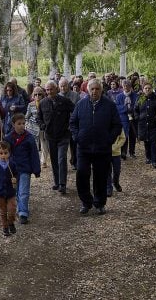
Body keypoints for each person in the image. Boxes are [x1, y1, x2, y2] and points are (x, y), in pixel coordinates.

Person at [70, 79, 122, 215]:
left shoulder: (109, 105)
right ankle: (86, 202)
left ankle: (99, 203)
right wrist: (77, 137)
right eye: (92, 89)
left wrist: (109, 139)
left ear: (101, 90)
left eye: (97, 89)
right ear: (88, 90)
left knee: (101, 176)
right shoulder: (81, 104)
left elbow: (117, 124)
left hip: (102, 148)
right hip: (84, 148)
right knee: (81, 174)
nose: (94, 91)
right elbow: (73, 122)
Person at [38, 80, 74, 194]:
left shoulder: (65, 101)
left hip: (64, 135)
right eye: (47, 90)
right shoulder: (43, 103)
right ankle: (57, 182)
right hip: (50, 136)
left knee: (61, 158)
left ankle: (63, 184)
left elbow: (76, 112)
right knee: (54, 160)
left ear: (56, 89)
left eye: (51, 89)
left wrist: (70, 125)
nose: (49, 92)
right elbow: (39, 118)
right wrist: (43, 126)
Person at [4, 113, 40, 224]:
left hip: (25, 169)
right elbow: (4, 154)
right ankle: (15, 209)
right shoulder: (8, 138)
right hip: (12, 170)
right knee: (15, 191)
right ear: (13, 124)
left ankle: (23, 212)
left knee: (23, 191)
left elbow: (34, 154)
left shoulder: (29, 138)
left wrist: (36, 169)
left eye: (23, 123)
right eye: (19, 124)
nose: (22, 126)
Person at [134, 82, 156, 169]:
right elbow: (135, 110)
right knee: (146, 141)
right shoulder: (140, 98)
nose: (147, 90)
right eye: (146, 88)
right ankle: (148, 157)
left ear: (151, 89)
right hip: (143, 124)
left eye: (149, 88)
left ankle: (155, 161)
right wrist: (138, 117)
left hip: (154, 124)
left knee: (154, 142)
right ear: (143, 89)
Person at [58, 77, 80, 170]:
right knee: (62, 148)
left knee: (74, 144)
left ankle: (75, 162)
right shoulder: (57, 96)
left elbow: (78, 109)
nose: (63, 88)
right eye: (61, 86)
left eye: (65, 86)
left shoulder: (75, 95)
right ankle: (63, 165)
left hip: (73, 123)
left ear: (68, 85)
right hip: (62, 125)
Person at [25, 87, 47, 169]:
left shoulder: (45, 103)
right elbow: (27, 116)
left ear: (43, 95)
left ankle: (43, 161)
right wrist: (26, 124)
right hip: (33, 128)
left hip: (43, 128)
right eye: (35, 94)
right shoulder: (30, 105)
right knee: (35, 146)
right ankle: (36, 161)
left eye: (39, 94)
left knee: (45, 145)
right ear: (33, 95)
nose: (37, 96)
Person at [116, 80, 139, 159]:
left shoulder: (135, 96)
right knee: (124, 136)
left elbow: (137, 106)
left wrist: (132, 109)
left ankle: (132, 152)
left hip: (133, 119)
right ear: (122, 87)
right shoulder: (119, 96)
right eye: (124, 86)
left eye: (127, 86)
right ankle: (123, 152)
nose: (126, 87)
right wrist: (125, 108)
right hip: (123, 119)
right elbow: (117, 107)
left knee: (132, 136)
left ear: (130, 87)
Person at [107, 131, 126, 197]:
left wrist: (116, 146)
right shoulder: (103, 124)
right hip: (106, 153)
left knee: (117, 171)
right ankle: (109, 188)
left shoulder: (118, 124)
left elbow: (123, 138)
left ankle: (116, 183)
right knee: (107, 171)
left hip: (116, 153)